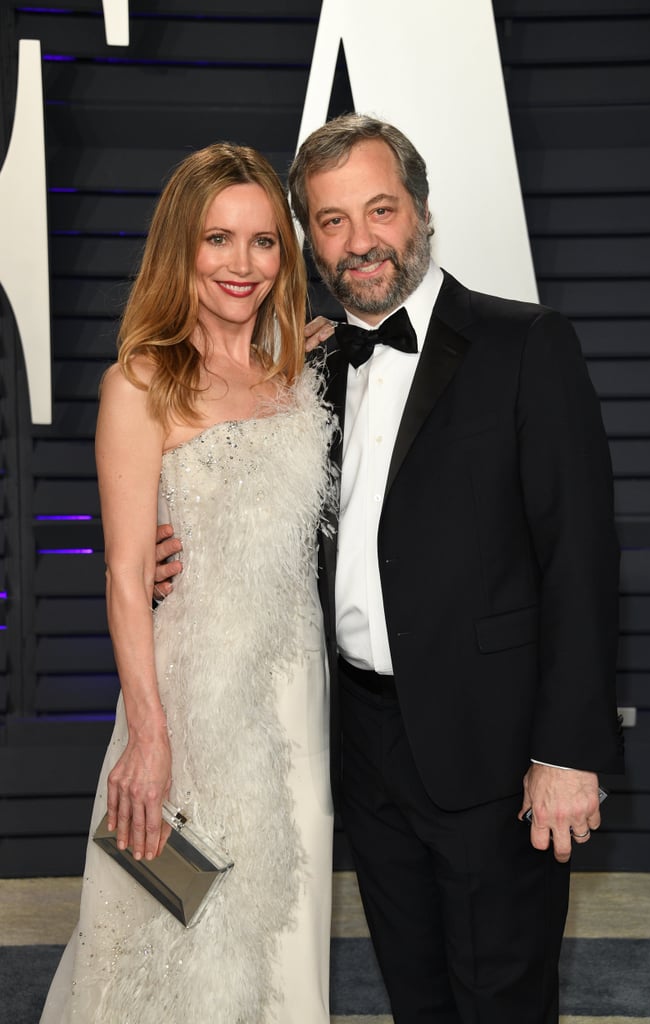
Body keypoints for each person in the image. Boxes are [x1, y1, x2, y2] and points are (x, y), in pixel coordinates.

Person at [157, 114, 624, 1023]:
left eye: (380, 210)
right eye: (330, 221)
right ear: (308, 240)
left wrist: (567, 752)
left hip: (493, 746)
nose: (360, 240)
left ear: (418, 213)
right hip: (358, 746)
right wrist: (156, 559)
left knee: (502, 999)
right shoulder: (301, 367)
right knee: (414, 992)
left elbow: (582, 560)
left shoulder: (526, 347)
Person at [40, 142, 335, 1024]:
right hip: (186, 695)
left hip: (292, 694)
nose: (241, 265)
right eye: (217, 240)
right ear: (181, 249)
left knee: (286, 919)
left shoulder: (301, 372)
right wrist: (150, 736)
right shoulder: (139, 383)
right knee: (172, 928)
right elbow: (127, 577)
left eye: (263, 241)